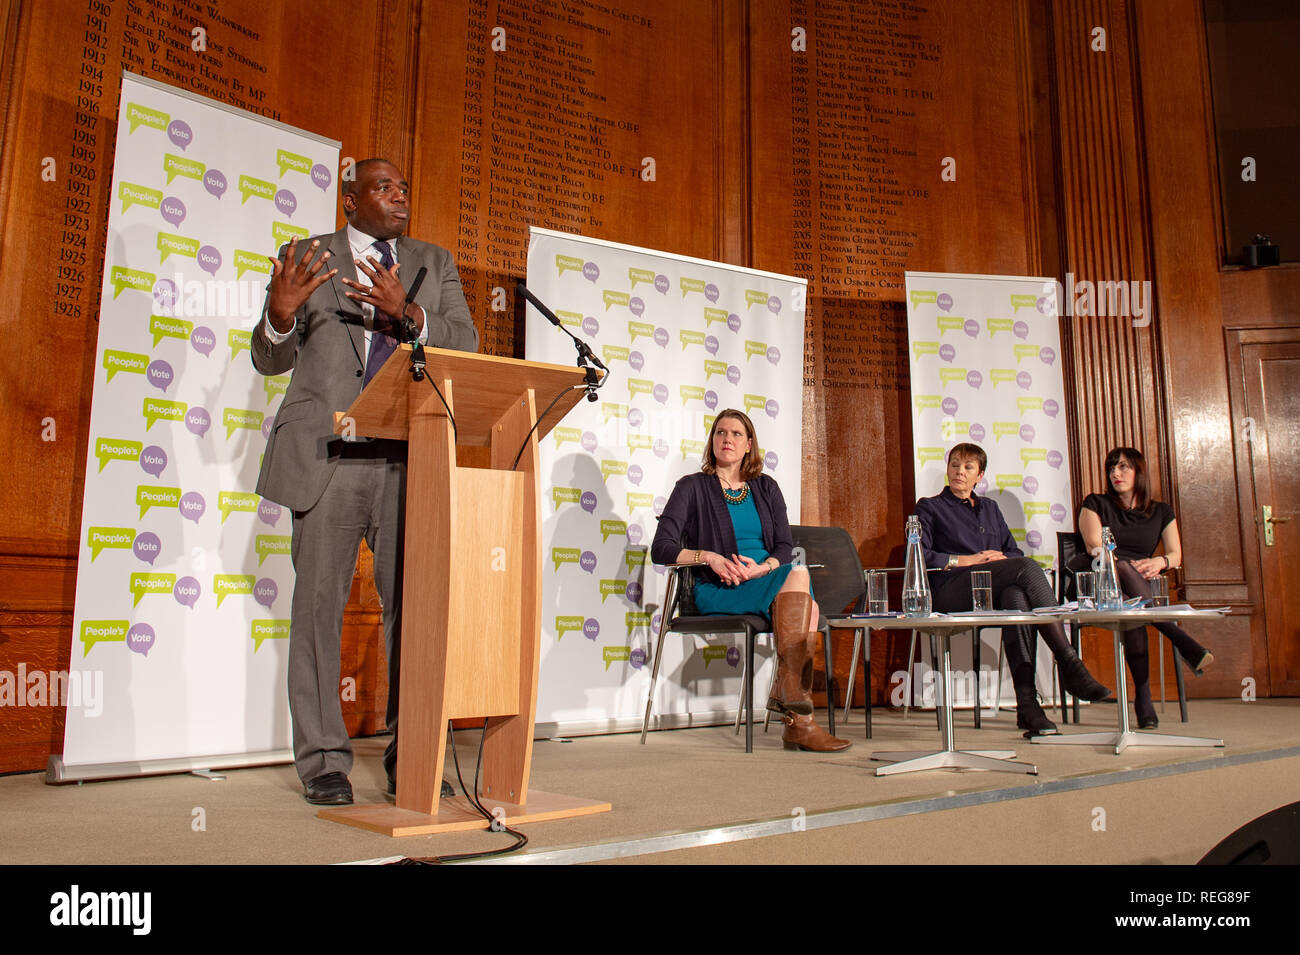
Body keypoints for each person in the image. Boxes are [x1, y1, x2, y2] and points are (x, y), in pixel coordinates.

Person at [251, 159, 480, 805]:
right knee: (316, 609)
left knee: (414, 611)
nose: (400, 194)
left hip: (406, 456)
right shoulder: (305, 257)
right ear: (349, 200)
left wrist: (410, 313)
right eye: (384, 186)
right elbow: (269, 359)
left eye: (405, 185)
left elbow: (467, 338)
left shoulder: (432, 262)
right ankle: (323, 760)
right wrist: (279, 315)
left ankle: (410, 756)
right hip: (325, 453)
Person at [651, 410, 850, 752]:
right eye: (720, 433)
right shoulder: (691, 487)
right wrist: (708, 557)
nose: (727, 439)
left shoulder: (765, 487)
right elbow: (661, 548)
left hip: (765, 579)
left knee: (799, 581)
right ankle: (793, 711)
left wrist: (762, 568)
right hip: (717, 588)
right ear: (712, 441)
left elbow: (785, 547)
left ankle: (794, 711)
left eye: (736, 434)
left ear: (749, 444)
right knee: (807, 600)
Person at [915, 443, 1110, 736]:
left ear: (980, 475)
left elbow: (1012, 552)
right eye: (954, 465)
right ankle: (1069, 663)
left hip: (992, 588)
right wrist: (969, 559)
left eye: (968, 467)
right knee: (1029, 567)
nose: (959, 472)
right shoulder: (929, 506)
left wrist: (1002, 559)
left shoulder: (990, 509)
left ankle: (1028, 706)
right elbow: (920, 554)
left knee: (1015, 597)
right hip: (950, 589)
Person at [1079, 447, 1213, 729]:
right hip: (1102, 580)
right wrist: (1121, 565)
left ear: (1139, 472)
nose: (1115, 473)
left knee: (1133, 604)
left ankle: (1143, 696)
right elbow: (1095, 546)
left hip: (1138, 588)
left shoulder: (1161, 511)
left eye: (1124, 467)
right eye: (1112, 468)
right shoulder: (1095, 503)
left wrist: (1159, 561)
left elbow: (1176, 554)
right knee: (1124, 568)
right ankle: (1180, 643)